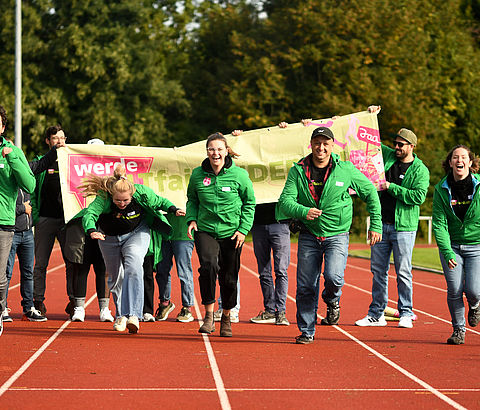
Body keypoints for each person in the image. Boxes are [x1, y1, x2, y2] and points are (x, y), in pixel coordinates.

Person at [278, 125, 382, 344]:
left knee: (334, 278)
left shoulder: (345, 169)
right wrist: (303, 211)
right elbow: (285, 202)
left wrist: (376, 224)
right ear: (312, 144)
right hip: (309, 234)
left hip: (337, 234)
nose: (321, 148)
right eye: (317, 143)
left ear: (332, 146)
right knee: (306, 286)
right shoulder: (298, 170)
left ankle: (332, 300)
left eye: (326, 144)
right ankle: (307, 331)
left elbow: (370, 192)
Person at [80, 165, 182, 334]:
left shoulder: (141, 193)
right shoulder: (104, 197)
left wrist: (173, 209)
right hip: (108, 237)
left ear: (132, 195)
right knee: (116, 276)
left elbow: (159, 201)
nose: (121, 204)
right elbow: (90, 213)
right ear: (111, 196)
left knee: (134, 267)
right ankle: (121, 315)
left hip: (136, 233)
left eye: (126, 201)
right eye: (117, 201)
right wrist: (92, 230)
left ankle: (134, 315)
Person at [355, 106, 430, 329]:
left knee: (403, 272)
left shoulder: (420, 170)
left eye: (401, 145)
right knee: (378, 272)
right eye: (395, 144)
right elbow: (369, 141)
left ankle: (406, 312)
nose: (396, 147)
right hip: (381, 225)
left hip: (403, 227)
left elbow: (417, 197)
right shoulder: (387, 156)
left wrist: (391, 187)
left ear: (411, 147)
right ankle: (376, 313)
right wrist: (371, 116)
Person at [186, 132, 255, 337]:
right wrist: (191, 219)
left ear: (226, 152)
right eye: (211, 149)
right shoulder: (198, 174)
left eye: (219, 149)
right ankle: (208, 316)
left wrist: (243, 230)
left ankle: (226, 317)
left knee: (229, 277)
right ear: (207, 152)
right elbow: (192, 199)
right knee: (208, 267)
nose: (215, 153)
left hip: (232, 233)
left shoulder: (239, 175)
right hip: (205, 230)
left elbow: (250, 203)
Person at [3, 142, 61, 322]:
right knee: (5, 272)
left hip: (27, 232)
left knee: (28, 272)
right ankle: (3, 309)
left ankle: (28, 308)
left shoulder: (26, 170)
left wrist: (55, 149)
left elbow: (43, 163)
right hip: (10, 229)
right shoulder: (4, 173)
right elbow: (4, 205)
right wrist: (22, 208)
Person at [432, 145, 480, 345]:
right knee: (454, 288)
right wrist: (446, 250)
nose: (459, 160)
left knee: (473, 290)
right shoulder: (441, 189)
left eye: (463, 157)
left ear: (470, 162)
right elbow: (439, 224)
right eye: (455, 157)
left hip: (477, 246)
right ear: (450, 162)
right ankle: (458, 329)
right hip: (452, 246)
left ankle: (476, 305)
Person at [0, 104, 36, 336]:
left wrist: (12, 157)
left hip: (3, 222)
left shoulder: (13, 151)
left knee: (0, 277)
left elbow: (29, 184)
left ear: (2, 127)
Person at [31, 125, 74, 317]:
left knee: (71, 263)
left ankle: (74, 301)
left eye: (63, 138)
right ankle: (38, 301)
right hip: (45, 220)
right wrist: (37, 216)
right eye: (56, 138)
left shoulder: (73, 161)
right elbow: (31, 190)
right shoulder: (41, 163)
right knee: (40, 264)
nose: (60, 141)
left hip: (67, 221)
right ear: (48, 141)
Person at [154, 213, 195, 323]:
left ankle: (187, 308)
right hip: (163, 233)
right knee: (161, 270)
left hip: (183, 233)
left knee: (184, 272)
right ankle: (165, 303)